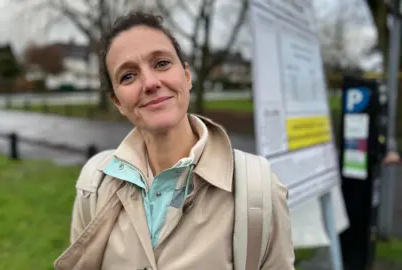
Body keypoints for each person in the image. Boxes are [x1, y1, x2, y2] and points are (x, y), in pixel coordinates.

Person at [54, 11, 295, 270]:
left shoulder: (257, 189)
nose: (150, 82)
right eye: (128, 76)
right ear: (117, 102)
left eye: (161, 63)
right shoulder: (94, 185)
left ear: (187, 76)